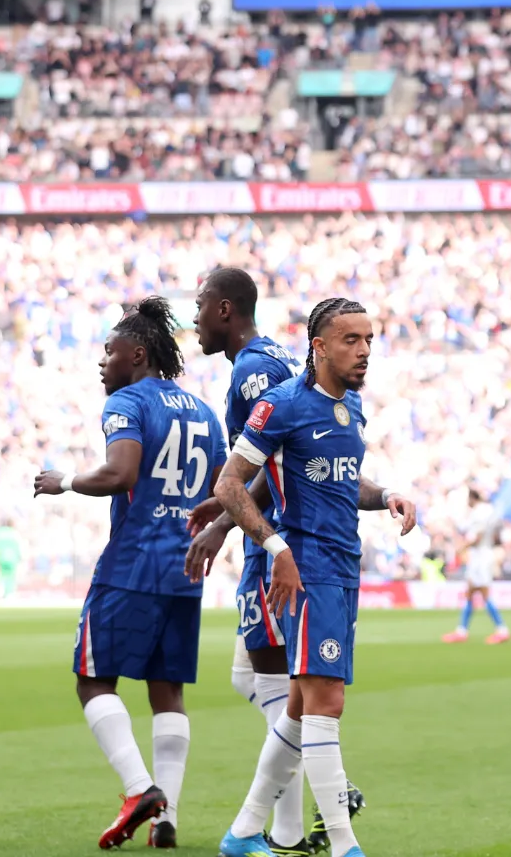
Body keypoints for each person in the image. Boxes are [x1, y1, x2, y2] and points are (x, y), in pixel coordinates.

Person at [213, 298, 416, 857]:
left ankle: (243, 832)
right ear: (319, 347)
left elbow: (346, 482)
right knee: (326, 701)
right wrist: (274, 545)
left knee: (303, 709)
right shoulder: (280, 406)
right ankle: (347, 848)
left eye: (369, 339)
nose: (365, 350)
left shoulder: (350, 406)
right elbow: (230, 485)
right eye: (351, 340)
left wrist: (386, 495)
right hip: (305, 571)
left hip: (343, 567)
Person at [33, 298, 224, 850]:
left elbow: (121, 472)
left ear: (136, 355)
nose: (102, 361)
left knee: (93, 679)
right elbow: (218, 492)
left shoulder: (127, 403)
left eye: (109, 351)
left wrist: (64, 481)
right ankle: (169, 818)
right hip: (185, 566)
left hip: (133, 563)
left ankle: (141, 789)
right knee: (168, 692)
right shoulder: (203, 412)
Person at [184, 266, 342, 856]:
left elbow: (273, 464)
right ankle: (295, 815)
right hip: (276, 536)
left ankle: (293, 822)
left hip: (275, 544)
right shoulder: (268, 358)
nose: (194, 319)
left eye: (200, 306)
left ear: (225, 310)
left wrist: (228, 523)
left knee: (284, 686)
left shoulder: (254, 371)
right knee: (252, 676)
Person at [442, 488, 509, 644]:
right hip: (482, 554)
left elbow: (477, 538)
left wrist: (462, 548)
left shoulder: (480, 513)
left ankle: (502, 629)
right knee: (471, 592)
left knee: (483, 593)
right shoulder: (488, 511)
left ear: (473, 498)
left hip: (481, 556)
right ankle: (461, 630)